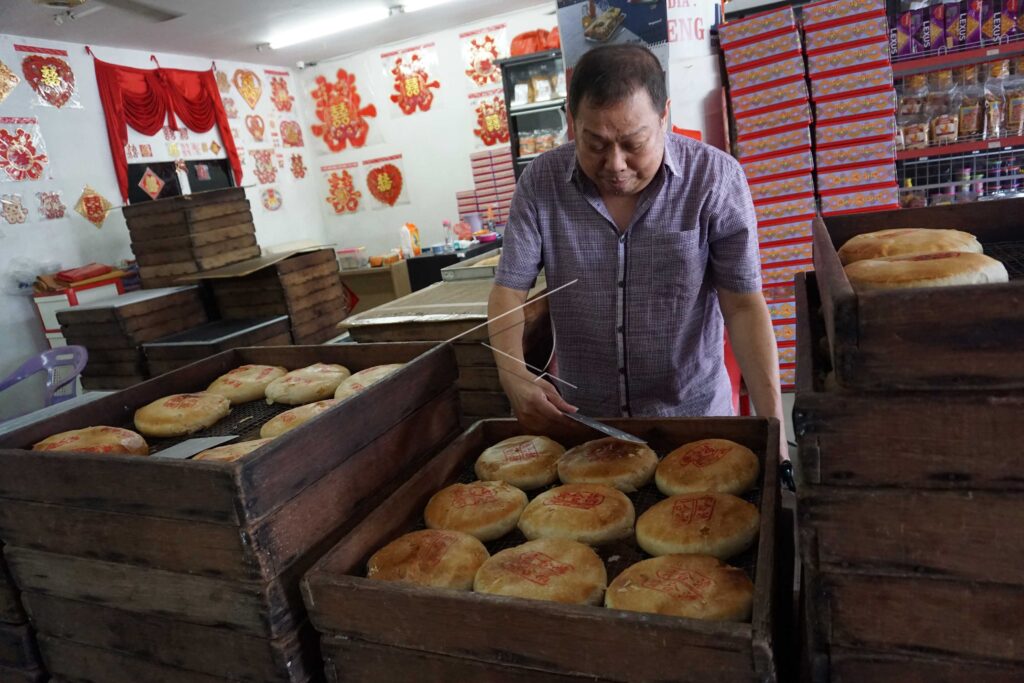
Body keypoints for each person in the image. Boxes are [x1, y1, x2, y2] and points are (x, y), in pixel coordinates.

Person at [487, 44, 787, 462]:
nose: (616, 164)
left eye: (633, 143)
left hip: (693, 419)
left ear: (664, 116)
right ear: (570, 122)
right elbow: (509, 289)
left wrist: (774, 428)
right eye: (594, 143)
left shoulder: (715, 179)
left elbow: (743, 306)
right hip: (587, 426)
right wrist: (513, 375)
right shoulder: (542, 183)